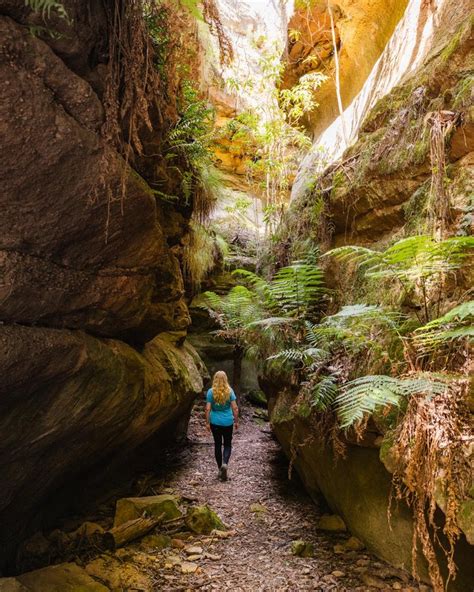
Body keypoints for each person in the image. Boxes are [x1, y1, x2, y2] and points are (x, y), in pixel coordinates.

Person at [205, 371, 239, 481]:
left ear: (215, 379)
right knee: (228, 444)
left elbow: (207, 409)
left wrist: (207, 422)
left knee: (218, 445)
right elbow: (235, 408)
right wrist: (236, 421)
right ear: (225, 379)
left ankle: (220, 468)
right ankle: (225, 464)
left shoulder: (211, 392)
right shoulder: (230, 391)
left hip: (215, 422)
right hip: (228, 422)